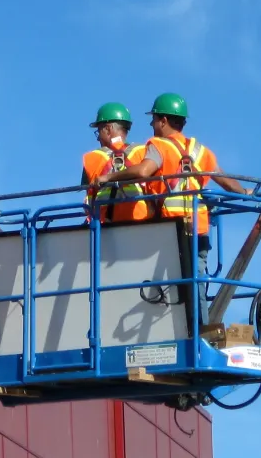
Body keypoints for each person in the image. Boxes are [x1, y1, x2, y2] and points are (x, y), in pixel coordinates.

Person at [92, 92, 248, 333]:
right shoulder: (200, 151)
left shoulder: (159, 146)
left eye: (154, 119)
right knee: (196, 278)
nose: (152, 124)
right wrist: (246, 192)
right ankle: (200, 329)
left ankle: (189, 331)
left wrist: (109, 177)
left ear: (163, 120)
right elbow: (226, 181)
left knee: (171, 282)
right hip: (198, 227)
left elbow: (143, 171)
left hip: (170, 228)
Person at [80, 102, 152, 223]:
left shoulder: (91, 158)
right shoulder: (144, 152)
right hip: (141, 221)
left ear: (108, 129)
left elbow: (89, 200)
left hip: (103, 225)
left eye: (99, 131)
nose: (98, 138)